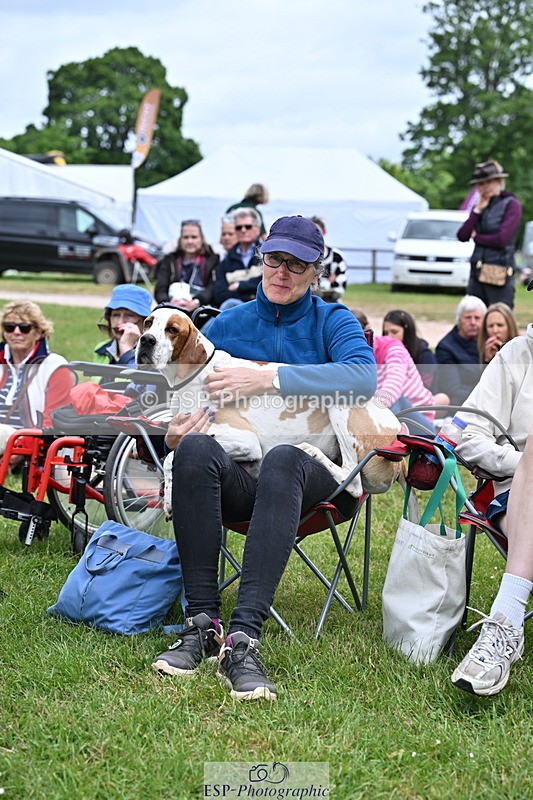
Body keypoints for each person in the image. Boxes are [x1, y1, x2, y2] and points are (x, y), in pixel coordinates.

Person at [151, 216, 377, 701]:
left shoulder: (332, 321)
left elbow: (362, 379)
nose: (282, 272)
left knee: (283, 459)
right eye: (274, 259)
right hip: (240, 478)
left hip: (313, 480)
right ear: (261, 258)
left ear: (316, 271)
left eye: (297, 264)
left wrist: (272, 377)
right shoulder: (227, 325)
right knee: (192, 449)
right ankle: (202, 625)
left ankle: (244, 638)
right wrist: (175, 434)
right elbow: (190, 403)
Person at [451, 304, 533, 696]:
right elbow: (467, 436)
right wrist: (524, 463)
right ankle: (506, 617)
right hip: (517, 494)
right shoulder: (517, 356)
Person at [354, 310, 448, 433]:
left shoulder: (393, 347)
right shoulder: (354, 356)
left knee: (392, 398)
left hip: (419, 418)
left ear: (367, 331)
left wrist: (370, 411)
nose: (389, 335)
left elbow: (393, 384)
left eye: (394, 331)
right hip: (394, 414)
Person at [0, 301, 73, 443]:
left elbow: (53, 422)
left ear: (38, 332)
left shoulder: (55, 366)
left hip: (29, 450)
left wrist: (15, 454)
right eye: (9, 327)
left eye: (24, 328)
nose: (16, 332)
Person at [457, 160, 522, 309]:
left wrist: (477, 237)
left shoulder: (511, 204)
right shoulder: (481, 206)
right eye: (479, 184)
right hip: (476, 273)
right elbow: (462, 235)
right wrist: (477, 211)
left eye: (487, 183)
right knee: (474, 319)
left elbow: (502, 239)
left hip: (499, 273)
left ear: (499, 181)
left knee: (498, 319)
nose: (483, 188)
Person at [154, 220, 219, 313]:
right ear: (180, 240)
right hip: (172, 309)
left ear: (201, 239)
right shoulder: (170, 260)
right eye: (186, 237)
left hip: (202, 310)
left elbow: (213, 286)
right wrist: (169, 303)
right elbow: (160, 288)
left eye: (194, 237)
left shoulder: (213, 260)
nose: (189, 241)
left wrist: (197, 301)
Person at [435, 295, 487, 406]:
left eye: (477, 318)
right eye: (468, 318)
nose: (473, 322)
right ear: (459, 320)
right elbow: (452, 390)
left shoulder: (489, 341)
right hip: (464, 405)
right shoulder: (446, 348)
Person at [213, 209, 263, 308]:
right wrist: (249, 294)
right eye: (238, 227)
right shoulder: (226, 261)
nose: (243, 230)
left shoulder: (267, 255)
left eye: (248, 227)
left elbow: (265, 284)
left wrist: (239, 285)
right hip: (233, 309)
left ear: (258, 229)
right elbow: (219, 294)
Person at [95, 284, 153, 368]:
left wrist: (126, 347)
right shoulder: (101, 349)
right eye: (116, 315)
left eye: (129, 315)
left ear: (145, 322)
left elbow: (141, 379)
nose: (120, 321)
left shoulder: (153, 354)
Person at [382, 309, 437, 390]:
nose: (389, 337)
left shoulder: (424, 354)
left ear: (407, 332)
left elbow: (424, 388)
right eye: (386, 333)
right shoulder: (383, 353)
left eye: (394, 332)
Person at [309, 216, 347, 303]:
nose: (315, 235)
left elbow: (341, 285)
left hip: (332, 302)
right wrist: (329, 281)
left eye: (317, 231)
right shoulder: (301, 256)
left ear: (324, 231)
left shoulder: (337, 256)